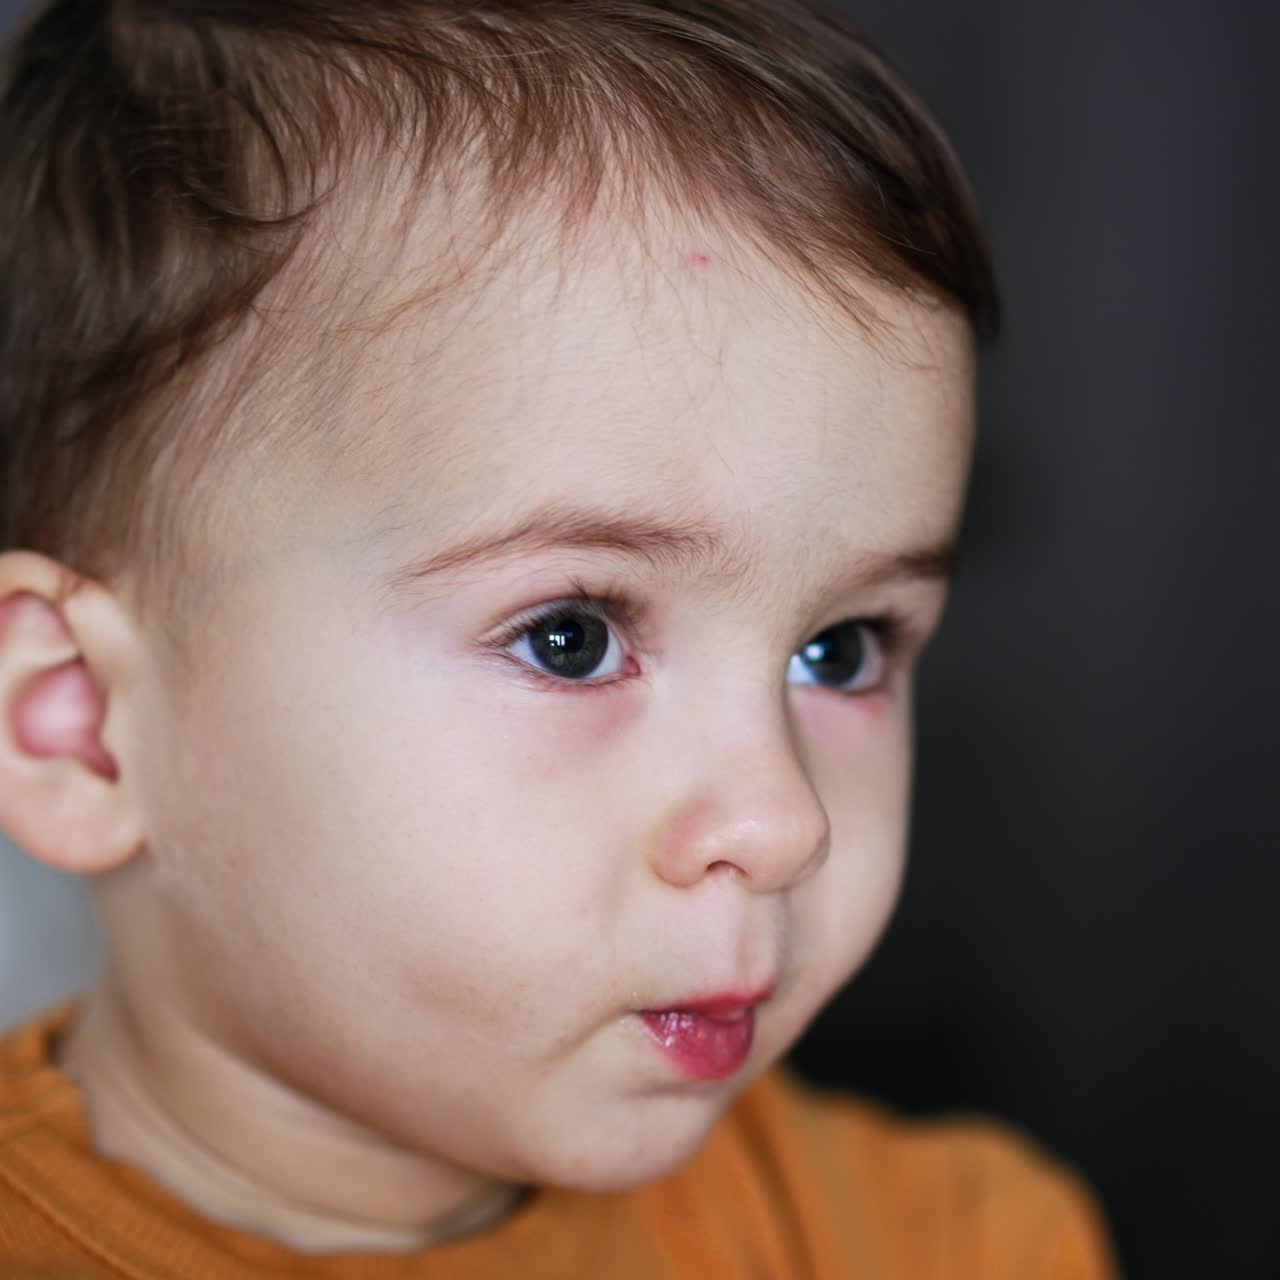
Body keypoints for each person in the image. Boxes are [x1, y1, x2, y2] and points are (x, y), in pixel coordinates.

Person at [0, 1, 1117, 1274]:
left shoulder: (951, 1240)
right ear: (83, 723)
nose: (781, 824)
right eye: (571, 638)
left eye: (841, 648)